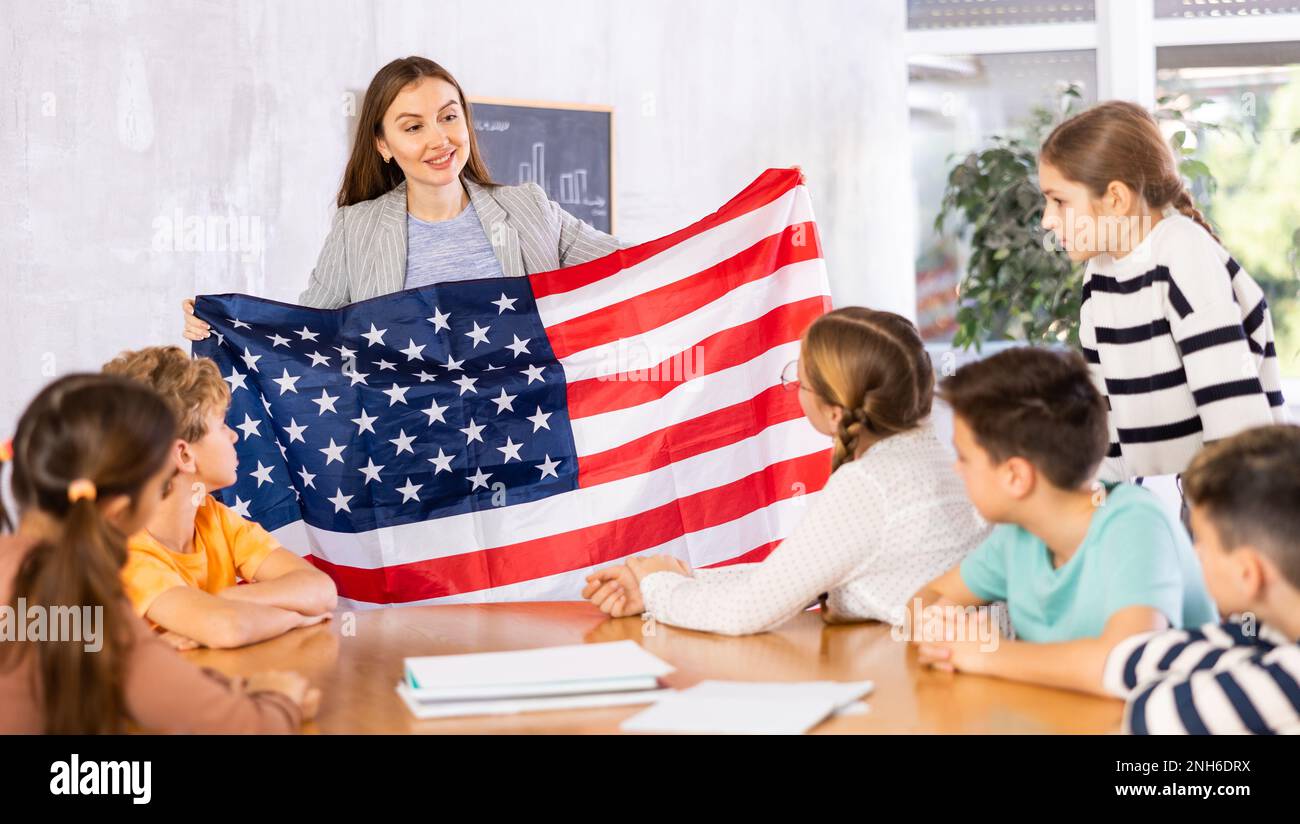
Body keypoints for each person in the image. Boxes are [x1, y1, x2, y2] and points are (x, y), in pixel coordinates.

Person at [183, 55, 624, 337]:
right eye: (413, 127)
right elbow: (306, 334)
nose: (440, 140)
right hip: (411, 459)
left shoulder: (529, 207)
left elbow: (636, 266)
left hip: (527, 444)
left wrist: (696, 254)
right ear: (383, 145)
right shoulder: (356, 229)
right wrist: (222, 325)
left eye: (449, 117)